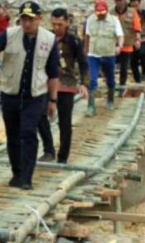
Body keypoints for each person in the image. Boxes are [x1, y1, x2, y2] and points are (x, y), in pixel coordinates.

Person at [0, 1, 60, 190]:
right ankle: (17, 173)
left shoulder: (49, 40)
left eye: (31, 19)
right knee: (13, 135)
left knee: (28, 134)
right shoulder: (9, 35)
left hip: (35, 96)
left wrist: (53, 100)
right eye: (24, 19)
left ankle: (27, 178)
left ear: (39, 19)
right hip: (10, 95)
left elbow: (53, 74)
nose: (27, 23)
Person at [38, 7, 88, 164]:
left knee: (64, 122)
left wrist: (84, 83)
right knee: (40, 115)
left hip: (66, 83)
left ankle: (62, 157)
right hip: (47, 83)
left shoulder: (73, 41)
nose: (56, 27)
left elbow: (83, 63)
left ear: (67, 22)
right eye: (54, 24)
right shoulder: (44, 37)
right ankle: (48, 150)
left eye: (60, 24)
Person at [85, 0, 124, 116]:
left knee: (110, 79)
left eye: (103, 11)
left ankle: (110, 100)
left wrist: (119, 46)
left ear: (107, 11)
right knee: (92, 80)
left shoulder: (114, 21)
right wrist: (85, 51)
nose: (100, 14)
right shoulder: (90, 20)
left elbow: (120, 36)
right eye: (98, 12)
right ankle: (91, 106)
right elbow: (87, 36)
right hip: (93, 55)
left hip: (108, 54)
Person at [112, 0, 141, 95]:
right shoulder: (111, 13)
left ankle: (122, 87)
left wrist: (137, 40)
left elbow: (137, 27)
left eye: (121, 1)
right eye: (117, 1)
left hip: (127, 44)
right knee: (110, 66)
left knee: (124, 68)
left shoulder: (132, 12)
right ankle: (112, 85)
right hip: (114, 45)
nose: (119, 3)